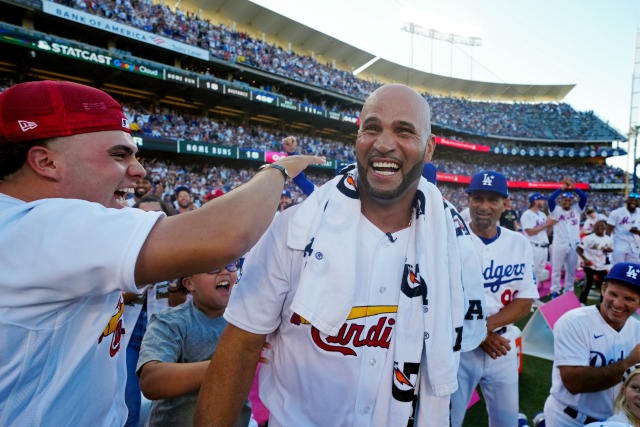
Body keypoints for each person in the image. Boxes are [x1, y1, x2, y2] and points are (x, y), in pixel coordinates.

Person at [0, 80, 323, 426]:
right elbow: (228, 234)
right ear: (45, 162)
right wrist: (277, 169)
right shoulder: (38, 226)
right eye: (119, 154)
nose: (139, 171)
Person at [194, 84, 487, 426]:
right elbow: (241, 347)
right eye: (372, 127)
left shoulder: (451, 246)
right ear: (357, 137)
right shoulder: (294, 229)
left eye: (404, 131)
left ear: (429, 148)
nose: (384, 143)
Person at [451, 171, 538, 427]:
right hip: (459, 348)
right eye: (478, 198)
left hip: (502, 344)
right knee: (447, 421)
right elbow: (440, 299)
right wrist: (476, 334)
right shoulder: (451, 240)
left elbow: (525, 301)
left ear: (505, 203)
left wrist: (482, 330)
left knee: (506, 421)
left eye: (492, 199)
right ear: (468, 200)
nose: (484, 206)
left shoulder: (518, 243)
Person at [137, 263, 252, 427]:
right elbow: (150, 381)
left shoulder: (249, 322)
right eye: (213, 268)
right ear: (189, 284)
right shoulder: (170, 322)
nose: (225, 272)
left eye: (230, 265)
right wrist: (222, 366)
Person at [543, 262, 640, 426]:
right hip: (569, 419)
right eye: (613, 294)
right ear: (603, 289)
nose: (617, 304)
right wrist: (629, 363)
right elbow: (574, 383)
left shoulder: (637, 329)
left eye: (629, 299)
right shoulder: (573, 321)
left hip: (616, 420)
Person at [548, 178, 588, 298]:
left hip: (574, 245)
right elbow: (551, 199)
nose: (567, 201)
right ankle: (554, 291)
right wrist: (562, 189)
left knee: (571, 270)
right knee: (556, 269)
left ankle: (568, 291)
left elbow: (584, 197)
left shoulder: (577, 209)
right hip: (559, 244)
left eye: (570, 200)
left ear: (572, 202)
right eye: (565, 199)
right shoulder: (555, 210)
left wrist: (574, 187)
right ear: (560, 201)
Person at [521, 193, 557, 287]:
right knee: (530, 274)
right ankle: (527, 297)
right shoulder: (527, 214)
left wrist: (551, 225)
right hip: (534, 247)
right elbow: (530, 232)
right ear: (535, 201)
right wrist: (546, 225)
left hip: (544, 247)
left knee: (538, 273)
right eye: (542, 200)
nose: (543, 202)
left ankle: (533, 297)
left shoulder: (542, 214)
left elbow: (546, 233)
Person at [576, 219, 613, 304]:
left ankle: (602, 302)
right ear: (594, 227)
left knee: (603, 286)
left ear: (605, 228)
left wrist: (608, 250)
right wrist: (585, 259)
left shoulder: (608, 239)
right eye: (598, 226)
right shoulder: (588, 238)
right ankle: (582, 302)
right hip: (590, 265)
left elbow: (610, 250)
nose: (600, 227)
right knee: (587, 284)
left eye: (602, 226)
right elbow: (578, 249)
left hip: (601, 265)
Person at [607, 193, 640, 264]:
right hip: (619, 244)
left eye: (636, 200)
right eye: (631, 200)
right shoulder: (616, 212)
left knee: (632, 268)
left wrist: (638, 232)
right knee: (618, 267)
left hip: (635, 245)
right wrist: (606, 244)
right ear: (627, 201)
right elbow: (608, 229)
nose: (633, 202)